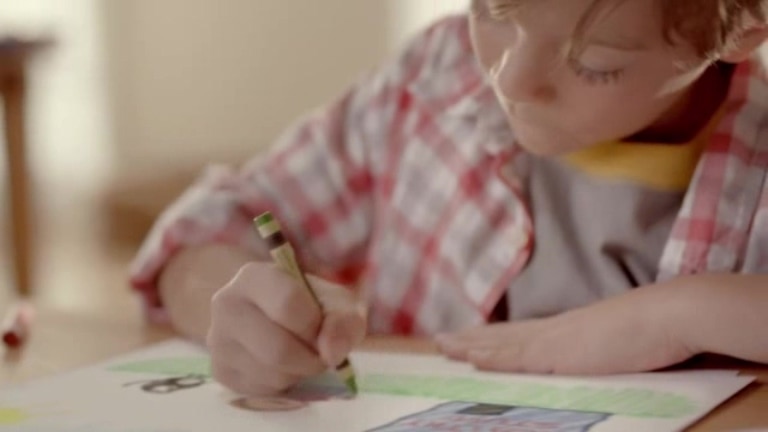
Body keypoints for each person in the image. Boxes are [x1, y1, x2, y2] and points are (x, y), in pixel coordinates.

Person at [130, 0, 768, 397]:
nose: (510, 80)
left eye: (596, 63)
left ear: (744, 24)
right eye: (493, 10)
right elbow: (210, 225)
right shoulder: (435, 78)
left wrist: (682, 314)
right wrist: (240, 309)